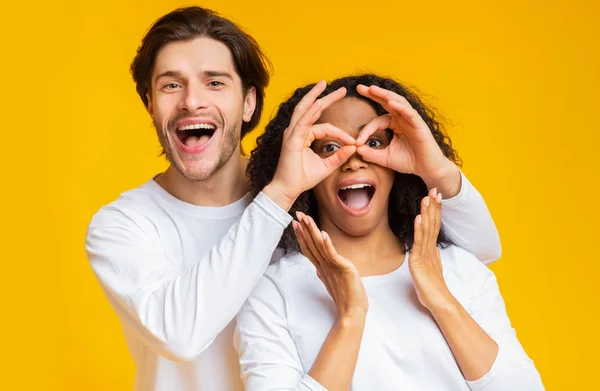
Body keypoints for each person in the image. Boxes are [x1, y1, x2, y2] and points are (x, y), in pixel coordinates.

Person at [86, 6, 501, 391]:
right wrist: (278, 195)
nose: (193, 100)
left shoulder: (310, 197)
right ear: (150, 104)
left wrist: (438, 170)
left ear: (248, 102)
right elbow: (179, 333)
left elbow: (476, 251)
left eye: (215, 82)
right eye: (171, 85)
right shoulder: (123, 226)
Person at [235, 74, 544, 390]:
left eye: (373, 143)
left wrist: (440, 299)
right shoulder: (272, 293)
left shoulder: (458, 268)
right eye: (330, 147)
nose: (354, 160)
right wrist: (350, 318)